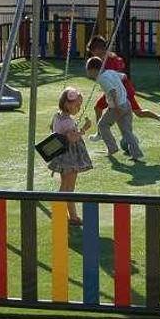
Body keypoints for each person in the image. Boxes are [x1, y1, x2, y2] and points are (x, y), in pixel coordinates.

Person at [87, 36, 160, 128]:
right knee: (98, 108)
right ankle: (100, 132)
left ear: (99, 49)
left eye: (93, 51)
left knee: (139, 113)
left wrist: (112, 60)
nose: (92, 54)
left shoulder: (110, 58)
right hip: (112, 91)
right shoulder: (100, 60)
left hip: (123, 90)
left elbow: (120, 66)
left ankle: (159, 118)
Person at [48, 87, 93, 225]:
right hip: (70, 157)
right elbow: (72, 138)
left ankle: (64, 214)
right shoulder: (68, 121)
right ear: (67, 104)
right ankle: (71, 217)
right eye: (77, 105)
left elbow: (52, 128)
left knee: (65, 185)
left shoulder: (57, 116)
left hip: (61, 155)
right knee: (69, 188)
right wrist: (84, 128)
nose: (79, 108)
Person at [86, 57, 143, 160]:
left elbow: (112, 91)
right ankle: (136, 153)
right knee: (127, 131)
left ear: (94, 70)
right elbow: (124, 76)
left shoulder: (101, 79)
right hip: (126, 103)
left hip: (117, 107)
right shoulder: (110, 72)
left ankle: (112, 148)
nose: (88, 74)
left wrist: (116, 107)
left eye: (89, 71)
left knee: (102, 125)